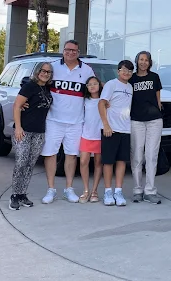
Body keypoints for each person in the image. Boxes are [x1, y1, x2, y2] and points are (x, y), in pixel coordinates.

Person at [41, 40, 95, 204]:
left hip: (76, 122)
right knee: (50, 154)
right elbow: (38, 83)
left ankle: (69, 189)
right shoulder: (52, 67)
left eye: (74, 50)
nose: (70, 53)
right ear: (63, 51)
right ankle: (51, 189)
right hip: (53, 120)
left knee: (71, 155)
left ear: (78, 52)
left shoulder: (87, 70)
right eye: (67, 50)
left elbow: (94, 89)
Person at [9, 62, 54, 211]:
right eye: (43, 71)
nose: (45, 74)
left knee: (30, 164)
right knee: (21, 162)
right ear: (37, 71)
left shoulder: (47, 88)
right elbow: (17, 105)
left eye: (48, 72)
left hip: (39, 132)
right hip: (24, 131)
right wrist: (18, 127)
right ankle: (14, 195)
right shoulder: (29, 86)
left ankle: (22, 194)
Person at [129, 51, 164, 204]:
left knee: (151, 155)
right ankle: (137, 190)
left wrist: (159, 110)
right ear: (137, 61)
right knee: (137, 155)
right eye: (141, 59)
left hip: (154, 120)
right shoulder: (131, 78)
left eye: (146, 60)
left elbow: (158, 98)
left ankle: (150, 191)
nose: (143, 62)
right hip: (136, 121)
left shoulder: (154, 77)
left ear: (150, 63)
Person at [98, 60, 134, 206]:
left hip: (125, 129)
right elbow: (101, 103)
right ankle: (108, 191)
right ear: (118, 71)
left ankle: (118, 191)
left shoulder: (130, 87)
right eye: (124, 70)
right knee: (108, 161)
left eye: (130, 71)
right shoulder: (111, 84)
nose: (126, 73)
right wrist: (106, 125)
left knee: (121, 161)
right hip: (111, 129)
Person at [79, 76, 104, 203]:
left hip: (100, 135)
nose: (92, 86)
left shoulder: (104, 100)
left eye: (95, 83)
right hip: (86, 135)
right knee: (83, 161)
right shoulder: (85, 100)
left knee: (98, 163)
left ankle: (94, 191)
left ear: (100, 85)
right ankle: (86, 190)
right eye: (89, 84)